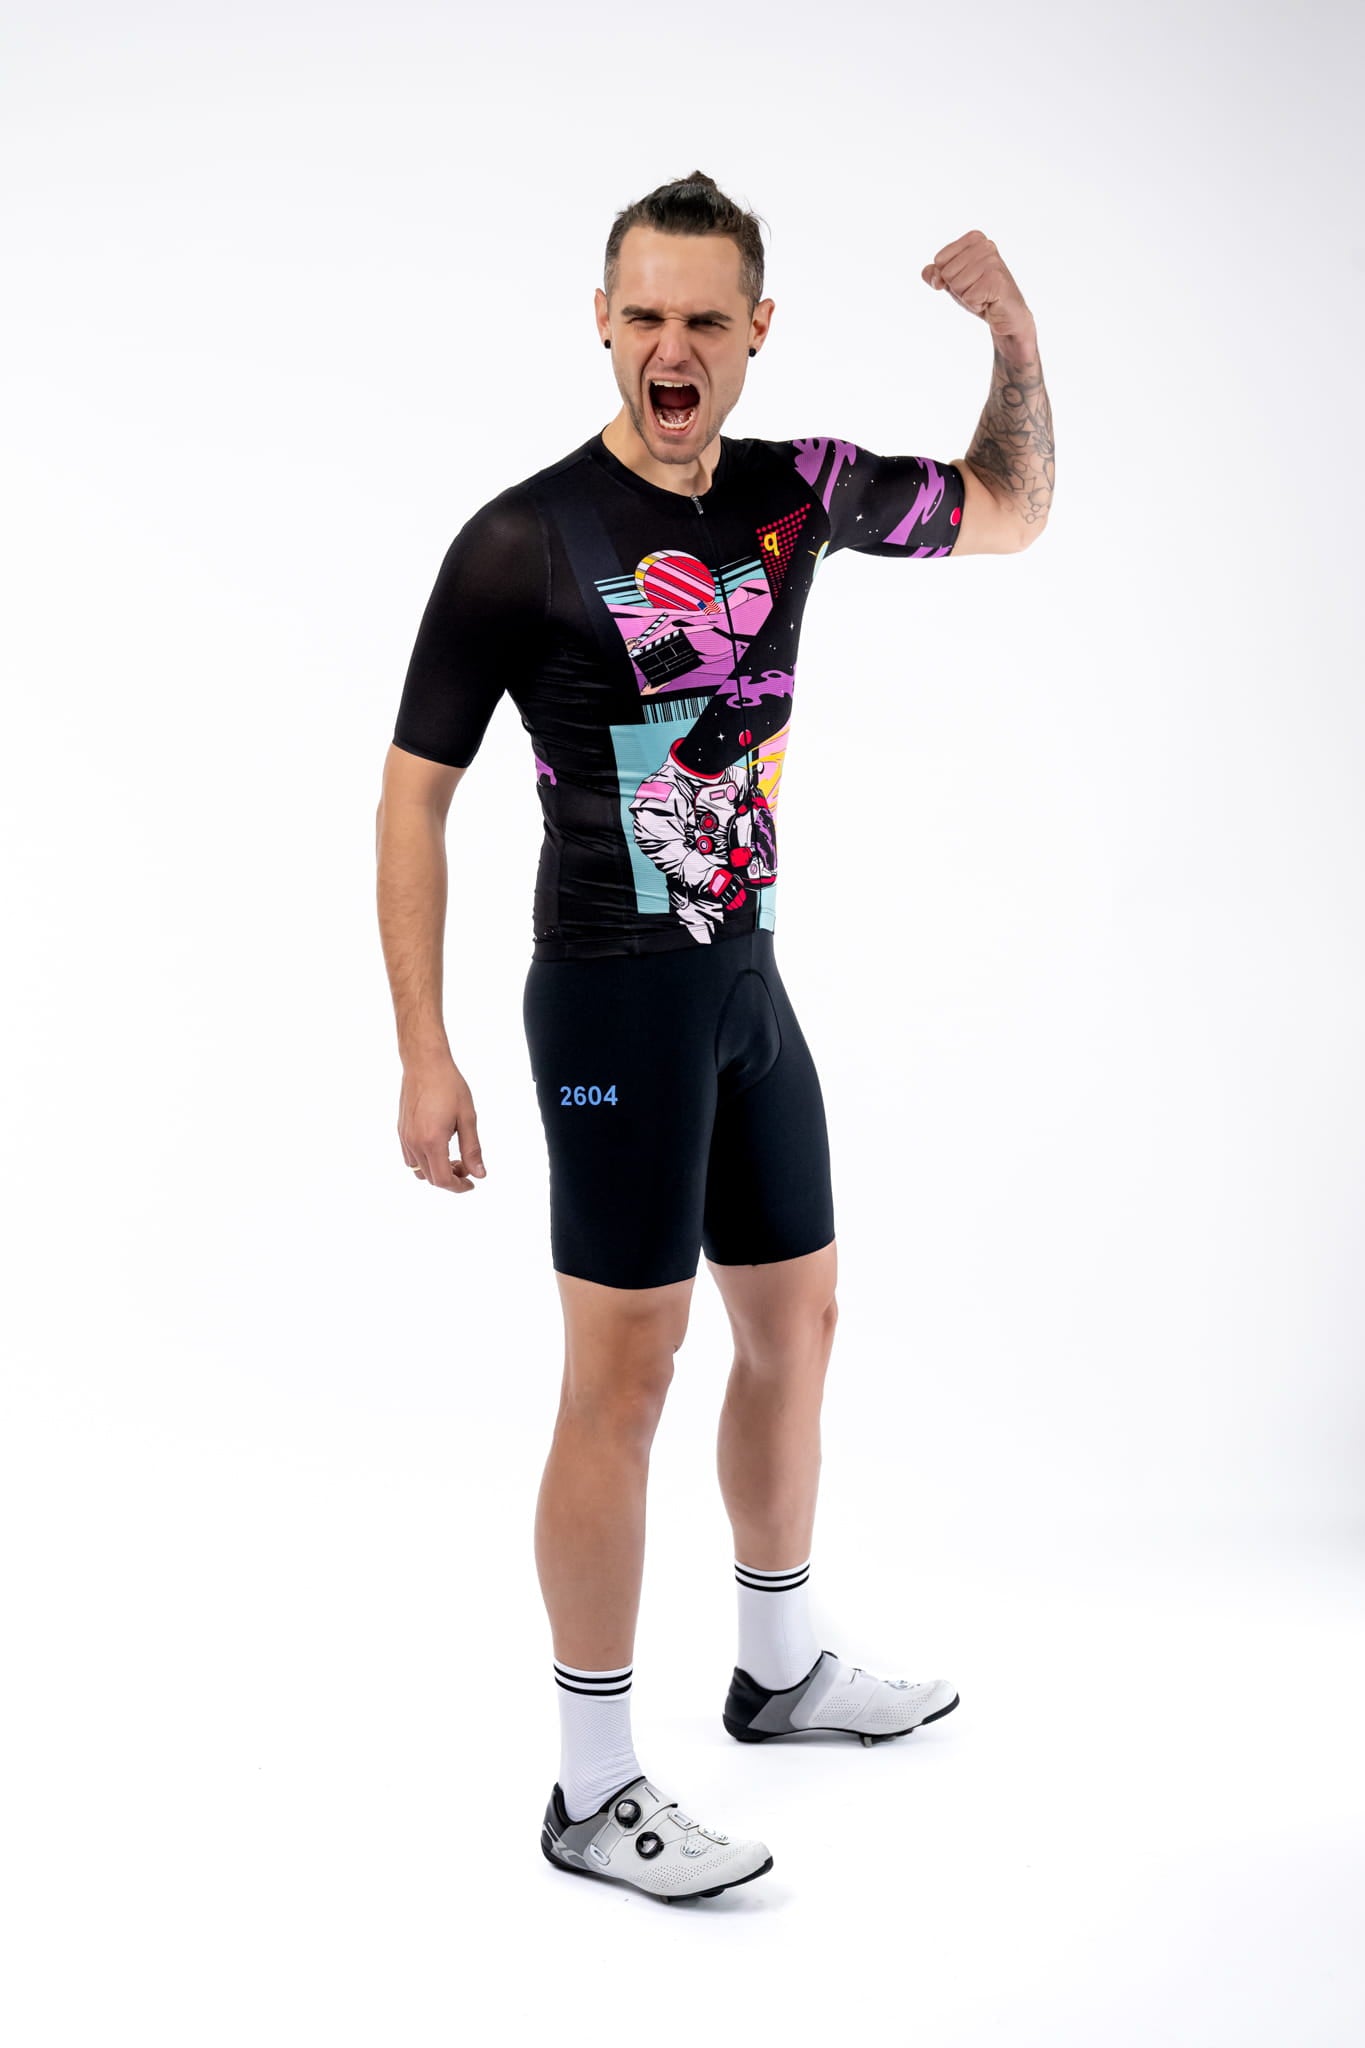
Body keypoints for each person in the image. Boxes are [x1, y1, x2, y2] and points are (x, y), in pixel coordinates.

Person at [375, 172, 1054, 1904]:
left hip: (743, 984)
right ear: (601, 324)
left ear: (755, 332)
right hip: (609, 994)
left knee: (797, 1317)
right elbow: (411, 797)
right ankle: (592, 1786)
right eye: (642, 316)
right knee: (625, 1377)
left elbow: (1010, 511)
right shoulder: (520, 541)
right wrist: (424, 1048)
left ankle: (776, 1666)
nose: (669, 349)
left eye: (702, 319)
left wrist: (1011, 337)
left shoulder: (793, 494)